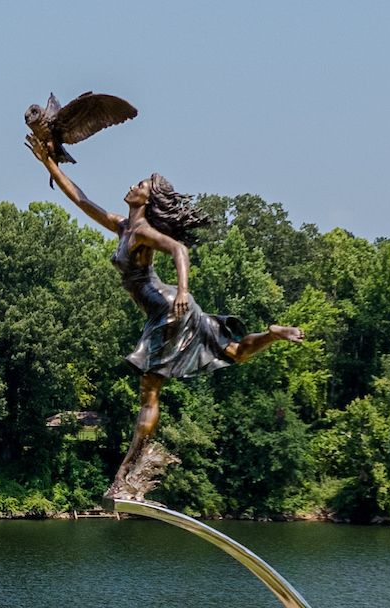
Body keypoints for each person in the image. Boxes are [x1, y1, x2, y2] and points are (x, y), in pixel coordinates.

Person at [29, 137, 303, 500]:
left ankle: (126, 475)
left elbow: (179, 248)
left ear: (148, 200)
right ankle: (271, 334)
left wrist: (185, 291)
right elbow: (80, 199)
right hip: (174, 306)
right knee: (233, 351)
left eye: (140, 185)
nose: (132, 186)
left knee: (149, 392)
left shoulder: (141, 232)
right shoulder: (123, 227)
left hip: (168, 309)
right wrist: (49, 164)